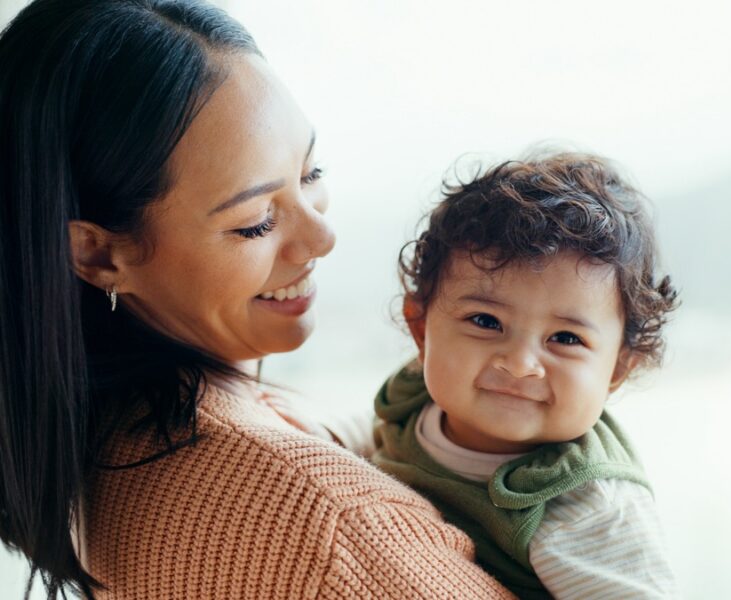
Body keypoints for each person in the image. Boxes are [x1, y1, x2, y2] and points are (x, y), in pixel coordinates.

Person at [0, 1, 516, 598]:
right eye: (254, 222)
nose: (323, 237)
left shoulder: (101, 454)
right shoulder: (331, 524)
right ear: (98, 255)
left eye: (310, 171)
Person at [372, 153, 681, 598]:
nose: (519, 363)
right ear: (421, 330)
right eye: (485, 321)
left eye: (565, 338)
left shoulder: (585, 504)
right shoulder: (414, 392)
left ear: (616, 368)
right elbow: (372, 439)